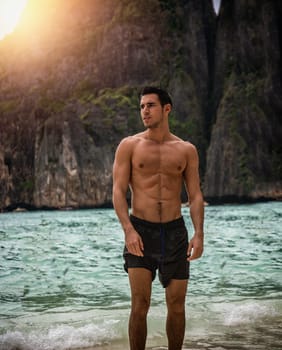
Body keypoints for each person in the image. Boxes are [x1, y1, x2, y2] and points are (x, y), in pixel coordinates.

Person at [112, 86, 204, 350]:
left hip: (175, 233)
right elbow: (118, 192)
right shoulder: (129, 146)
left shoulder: (186, 150)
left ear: (166, 109)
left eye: (150, 105)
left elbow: (195, 195)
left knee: (176, 305)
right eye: (141, 106)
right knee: (140, 304)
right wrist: (128, 230)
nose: (145, 111)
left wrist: (199, 233)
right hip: (140, 231)